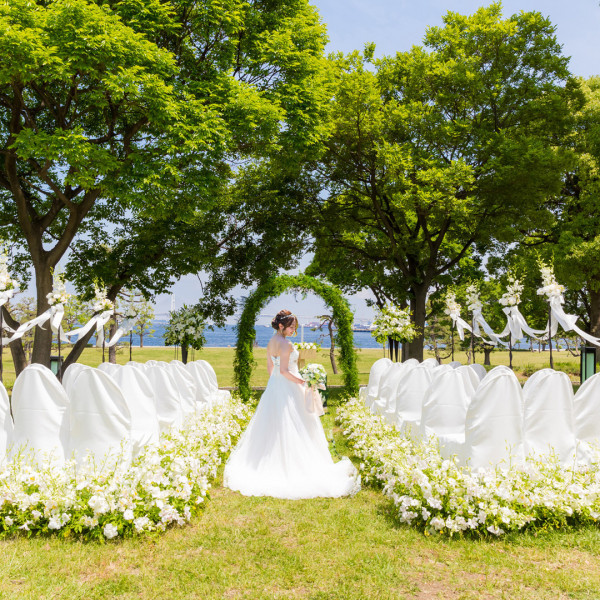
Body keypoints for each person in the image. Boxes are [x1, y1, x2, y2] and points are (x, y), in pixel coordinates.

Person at [223, 310, 360, 499]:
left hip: (275, 386)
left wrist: (276, 385)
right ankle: (297, 464)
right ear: (281, 326)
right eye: (291, 326)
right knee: (297, 423)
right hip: (288, 385)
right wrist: (303, 382)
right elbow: (286, 371)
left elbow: (272, 369)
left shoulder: (271, 341)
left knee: (273, 425)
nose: (293, 329)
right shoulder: (286, 344)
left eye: (294, 326)